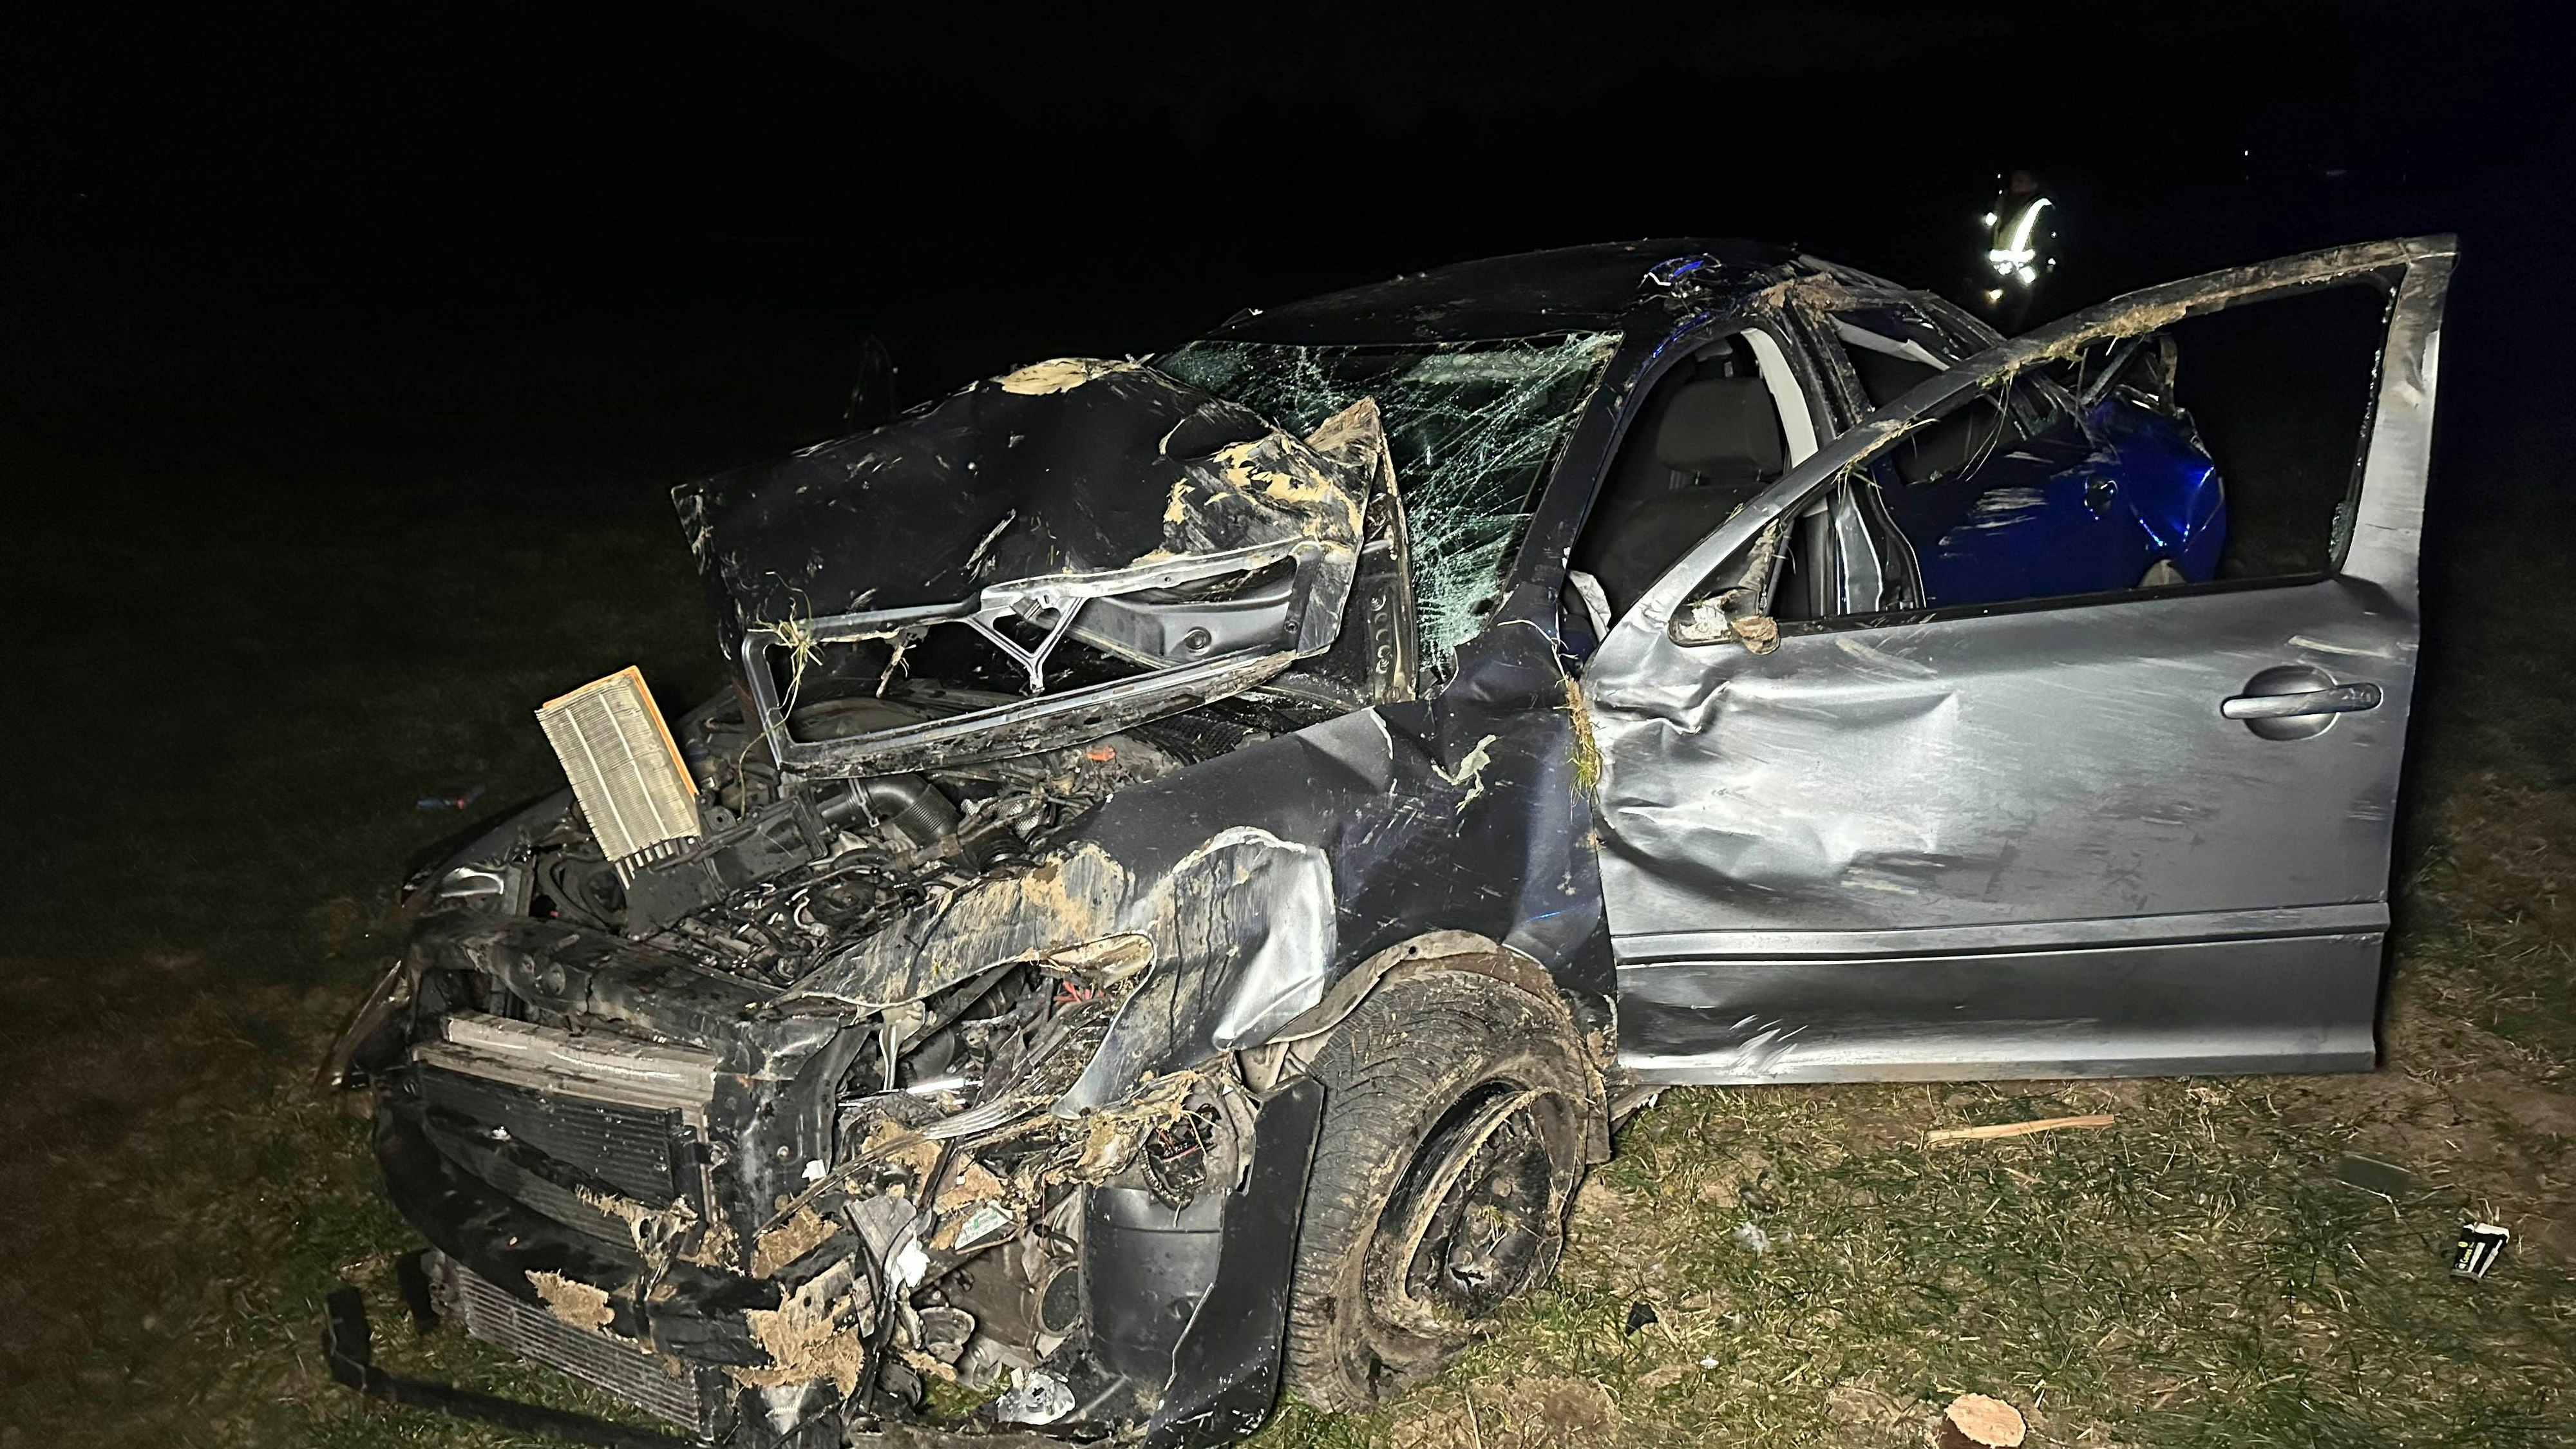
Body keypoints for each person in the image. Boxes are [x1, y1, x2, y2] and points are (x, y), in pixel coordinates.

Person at [1971, 169, 2059, 332]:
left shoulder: (2043, 208)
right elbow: (1988, 234)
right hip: (1994, 274)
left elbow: (2047, 248)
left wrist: (2032, 274)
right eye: (2014, 179)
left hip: (2021, 279)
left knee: (2007, 327)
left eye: (2021, 180)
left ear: (2034, 184)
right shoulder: (2002, 201)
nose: (2015, 183)